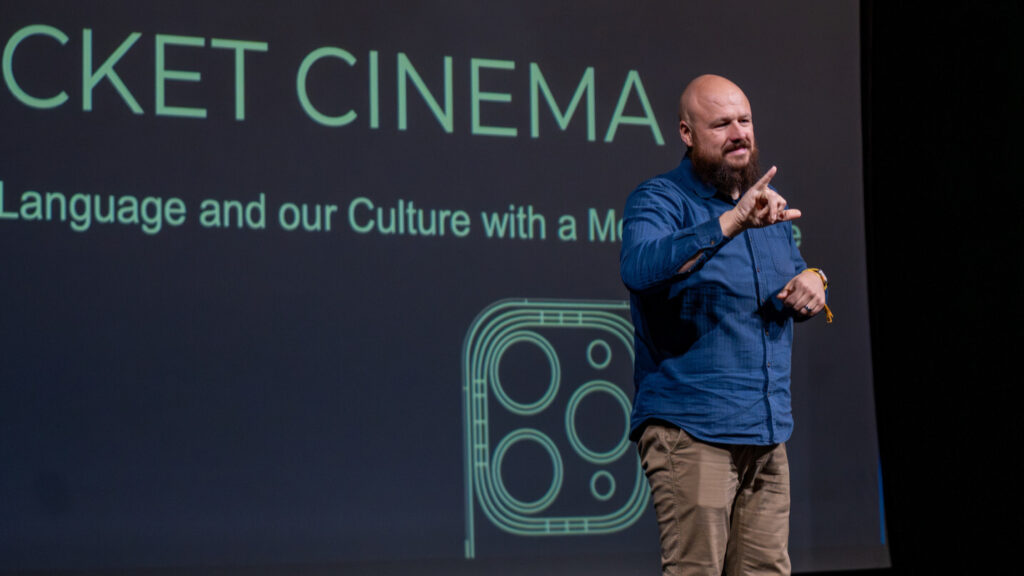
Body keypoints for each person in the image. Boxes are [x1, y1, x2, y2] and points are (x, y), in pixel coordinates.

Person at [619, 74, 829, 575]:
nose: (739, 134)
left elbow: (789, 282)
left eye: (745, 121)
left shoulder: (768, 207)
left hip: (766, 431)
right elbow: (639, 270)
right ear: (687, 133)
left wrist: (814, 280)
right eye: (721, 125)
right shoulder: (660, 199)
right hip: (693, 428)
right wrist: (731, 221)